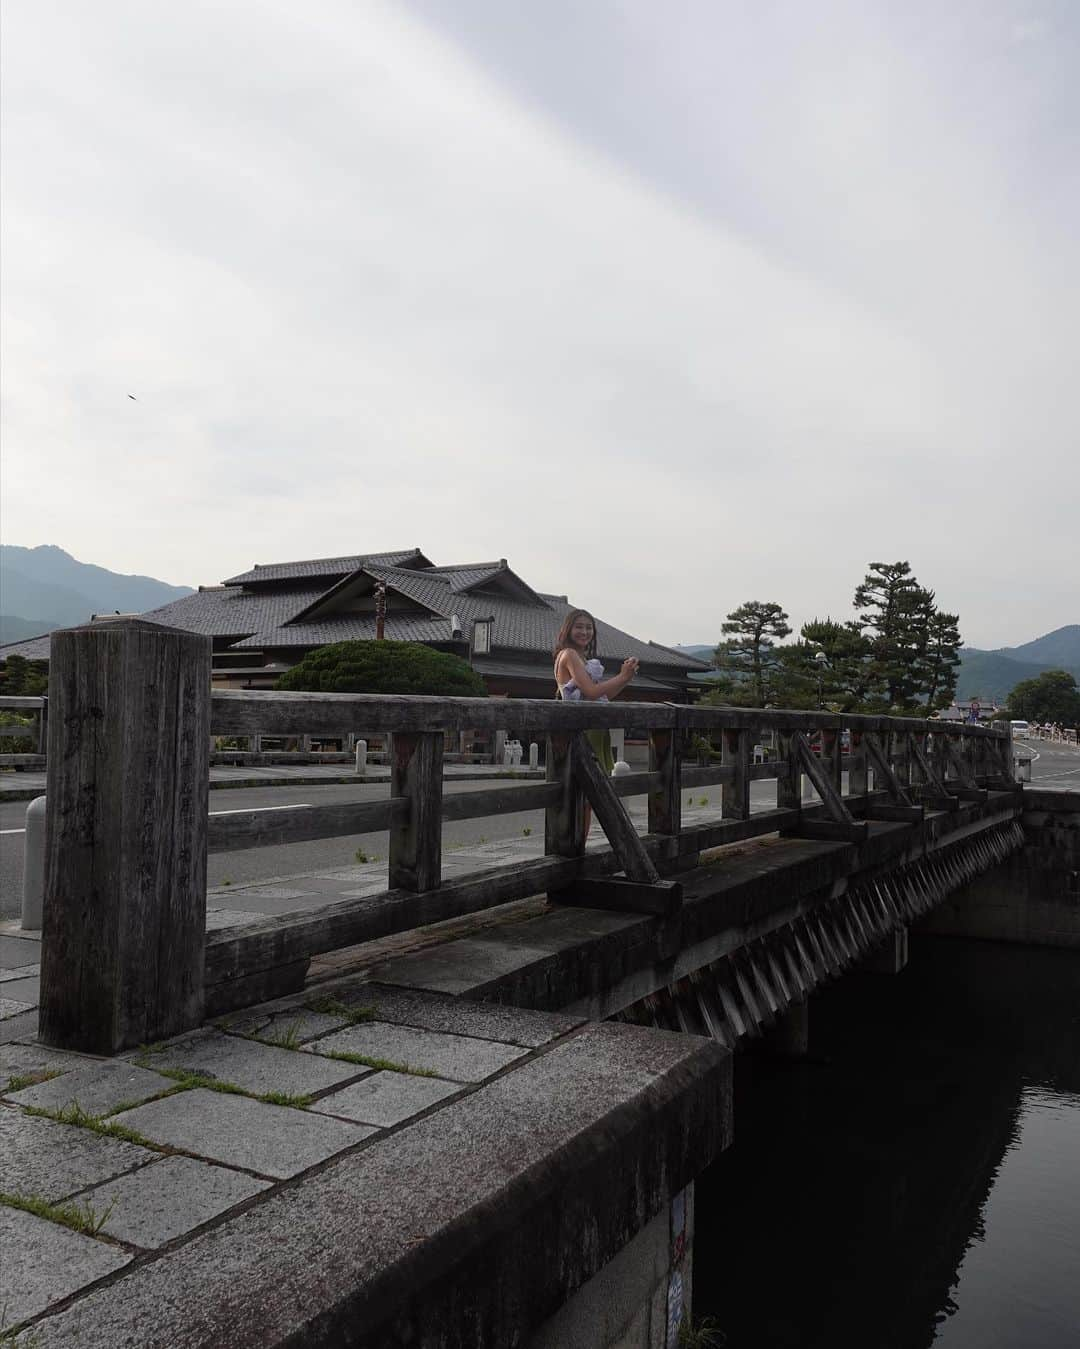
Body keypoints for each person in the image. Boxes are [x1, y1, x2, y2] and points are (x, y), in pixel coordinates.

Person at [553, 609, 639, 835]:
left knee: (589, 798)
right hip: (581, 732)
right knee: (584, 797)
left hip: (592, 729)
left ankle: (578, 848)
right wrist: (621, 677)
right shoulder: (569, 654)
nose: (584, 631)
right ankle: (575, 848)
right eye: (579, 626)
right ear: (568, 629)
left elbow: (602, 697)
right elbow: (591, 693)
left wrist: (625, 678)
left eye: (588, 627)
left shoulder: (581, 658)